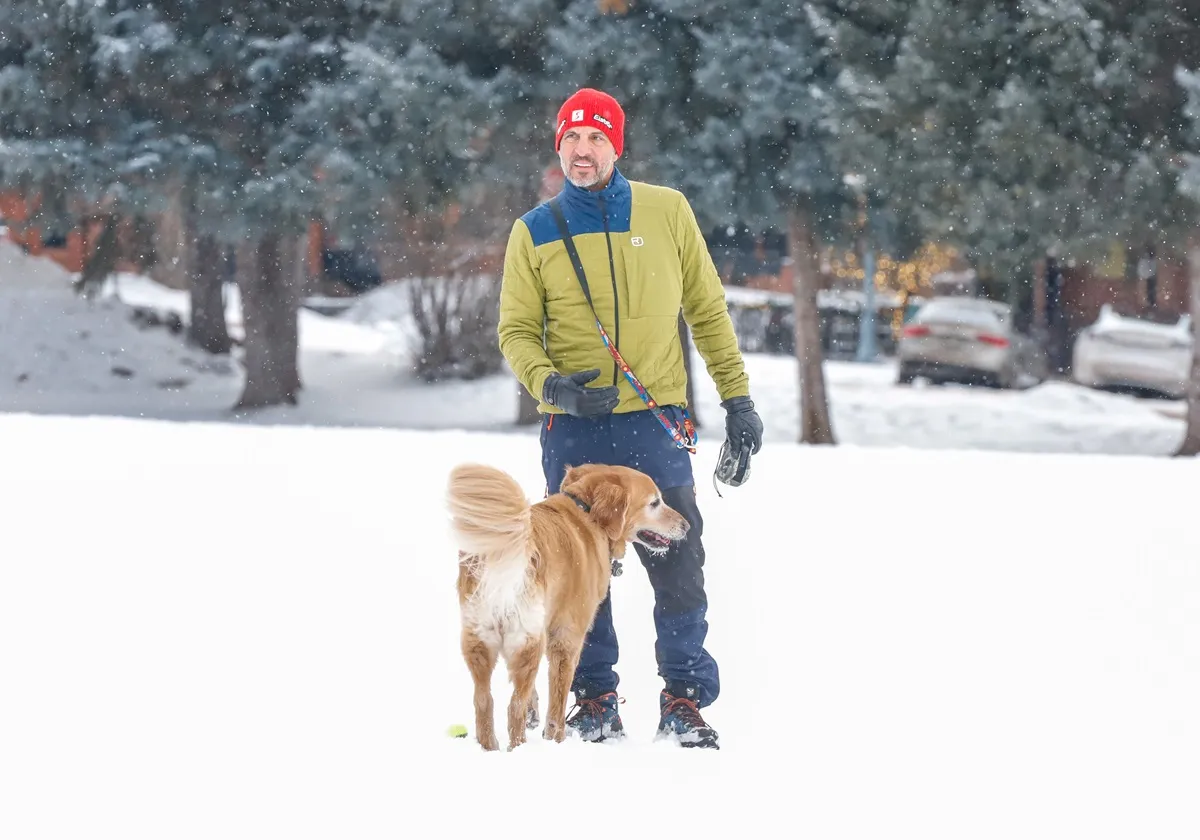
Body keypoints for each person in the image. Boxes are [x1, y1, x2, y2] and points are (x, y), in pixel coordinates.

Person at [497, 87, 763, 750]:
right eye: (572, 140)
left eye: (596, 139)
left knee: (678, 559)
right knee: (579, 570)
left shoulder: (666, 212)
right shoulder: (535, 230)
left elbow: (707, 311)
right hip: (576, 430)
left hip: (653, 423)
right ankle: (593, 702)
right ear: (558, 146)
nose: (582, 152)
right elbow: (518, 331)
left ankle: (684, 700)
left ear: (617, 145)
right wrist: (549, 385)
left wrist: (738, 401)